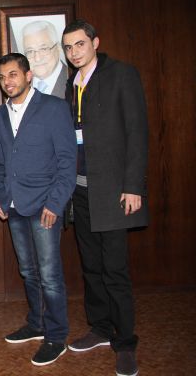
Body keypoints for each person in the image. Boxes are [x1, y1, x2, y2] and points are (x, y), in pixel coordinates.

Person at [62, 19, 148, 376]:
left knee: (115, 270)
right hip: (80, 191)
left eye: (80, 44)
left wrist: (133, 186)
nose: (74, 52)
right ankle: (100, 328)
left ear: (95, 42)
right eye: (68, 47)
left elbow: (137, 132)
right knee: (91, 266)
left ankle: (125, 342)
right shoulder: (72, 84)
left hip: (113, 191)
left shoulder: (121, 74)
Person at [0, 53, 76, 366]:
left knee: (50, 275)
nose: (7, 82)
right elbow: (0, 163)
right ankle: (37, 323)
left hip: (45, 205)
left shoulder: (54, 108)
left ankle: (56, 336)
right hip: (14, 206)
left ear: (28, 75)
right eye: (2, 77)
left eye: (13, 74)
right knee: (28, 271)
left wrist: (56, 203)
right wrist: (1, 198)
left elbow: (67, 162)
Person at [21, 20, 68, 98]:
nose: (37, 58)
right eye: (30, 51)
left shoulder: (75, 80)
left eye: (43, 49)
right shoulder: (20, 86)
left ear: (58, 48)